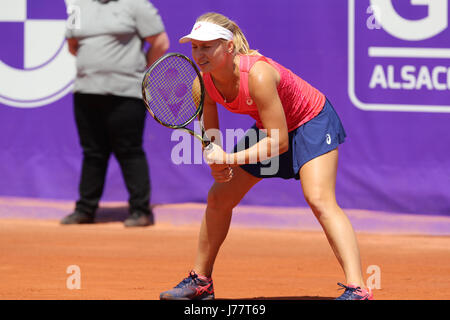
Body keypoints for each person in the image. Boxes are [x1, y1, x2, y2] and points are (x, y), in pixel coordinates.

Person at [159, 12, 373, 300]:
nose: (200, 53)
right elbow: (211, 134)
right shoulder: (205, 82)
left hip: (312, 122)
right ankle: (201, 281)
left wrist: (230, 158)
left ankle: (358, 288)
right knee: (219, 197)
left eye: (207, 46)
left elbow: (279, 142)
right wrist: (216, 162)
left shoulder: (258, 74)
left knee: (319, 199)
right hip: (270, 128)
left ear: (230, 46)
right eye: (195, 46)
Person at [60, 0, 169, 227]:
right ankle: (85, 209)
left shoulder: (137, 5)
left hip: (127, 93)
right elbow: (73, 45)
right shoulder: (79, 5)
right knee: (92, 152)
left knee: (129, 150)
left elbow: (160, 42)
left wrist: (139, 73)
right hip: (86, 91)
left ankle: (140, 211)